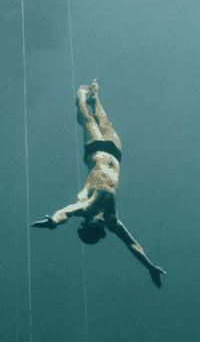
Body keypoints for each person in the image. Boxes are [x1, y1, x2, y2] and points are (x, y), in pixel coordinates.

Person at [32, 81, 166, 288]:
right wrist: (149, 266)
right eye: (102, 232)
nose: (103, 228)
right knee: (104, 120)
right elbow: (131, 244)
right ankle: (95, 98)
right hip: (115, 154)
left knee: (87, 119)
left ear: (86, 223)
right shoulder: (112, 220)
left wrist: (53, 222)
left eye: (97, 229)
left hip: (96, 151)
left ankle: (80, 100)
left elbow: (66, 212)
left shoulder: (86, 207)